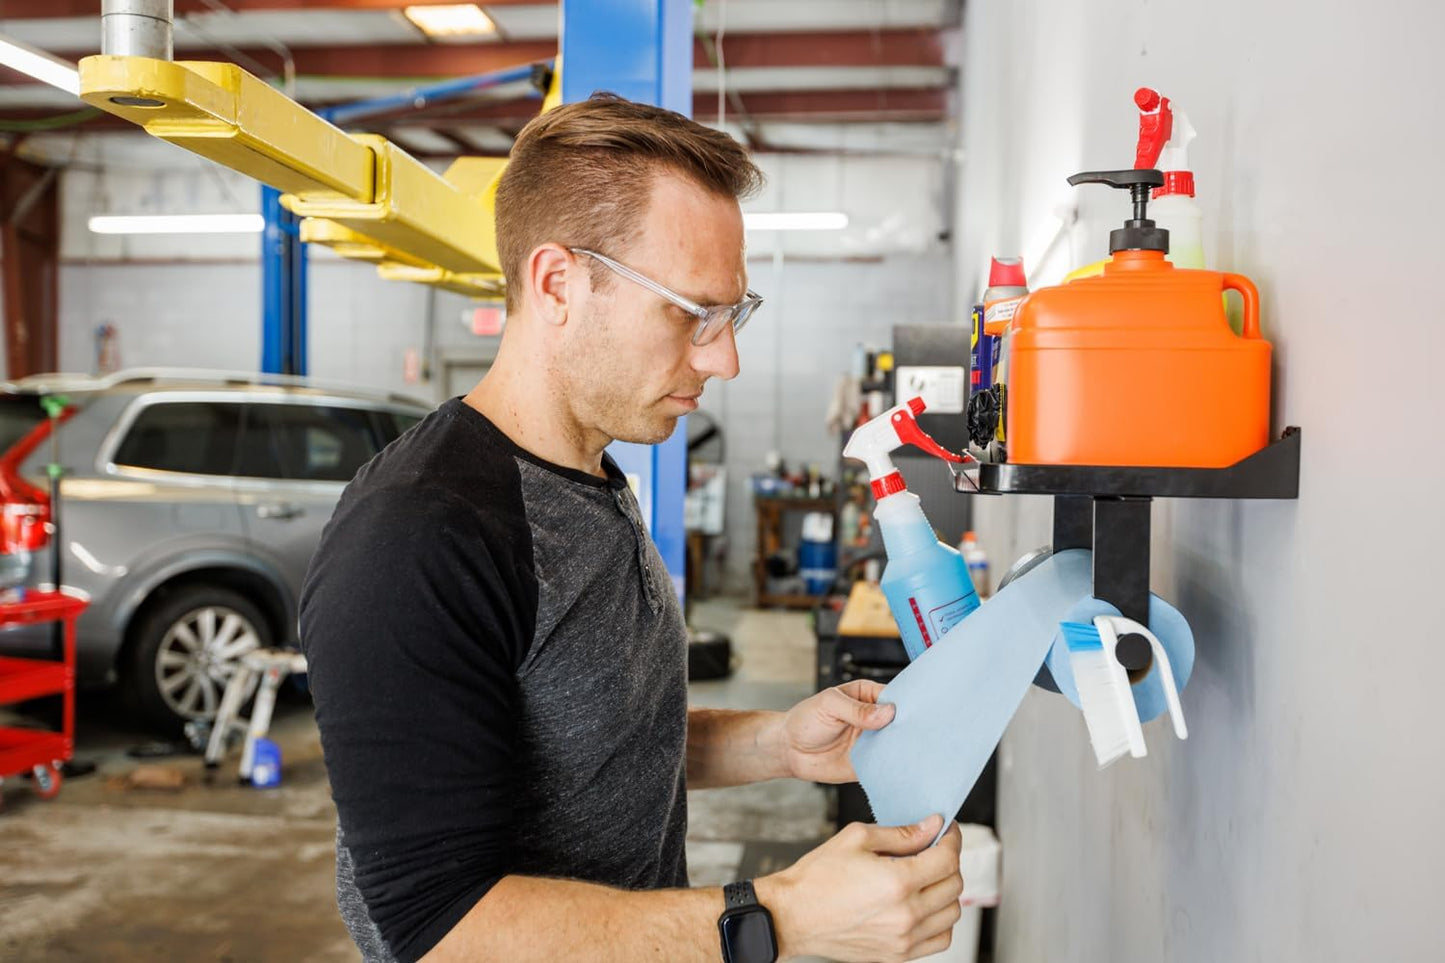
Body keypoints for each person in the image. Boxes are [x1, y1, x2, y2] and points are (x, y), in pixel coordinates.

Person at [300, 92, 964, 963]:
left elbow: (591, 740)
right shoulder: (421, 536)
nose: (724, 357)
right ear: (556, 284)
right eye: (691, 312)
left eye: (734, 314)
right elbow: (438, 928)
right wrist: (780, 914)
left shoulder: (590, 477)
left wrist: (776, 742)